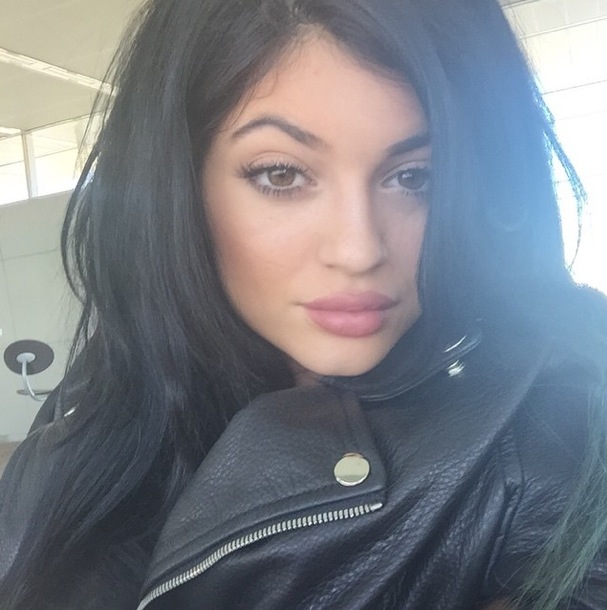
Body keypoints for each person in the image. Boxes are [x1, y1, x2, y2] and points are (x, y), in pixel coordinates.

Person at [1, 0, 607, 608]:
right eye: (282, 175)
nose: (358, 250)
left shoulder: (553, 432)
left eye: (415, 177)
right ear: (179, 186)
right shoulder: (94, 402)